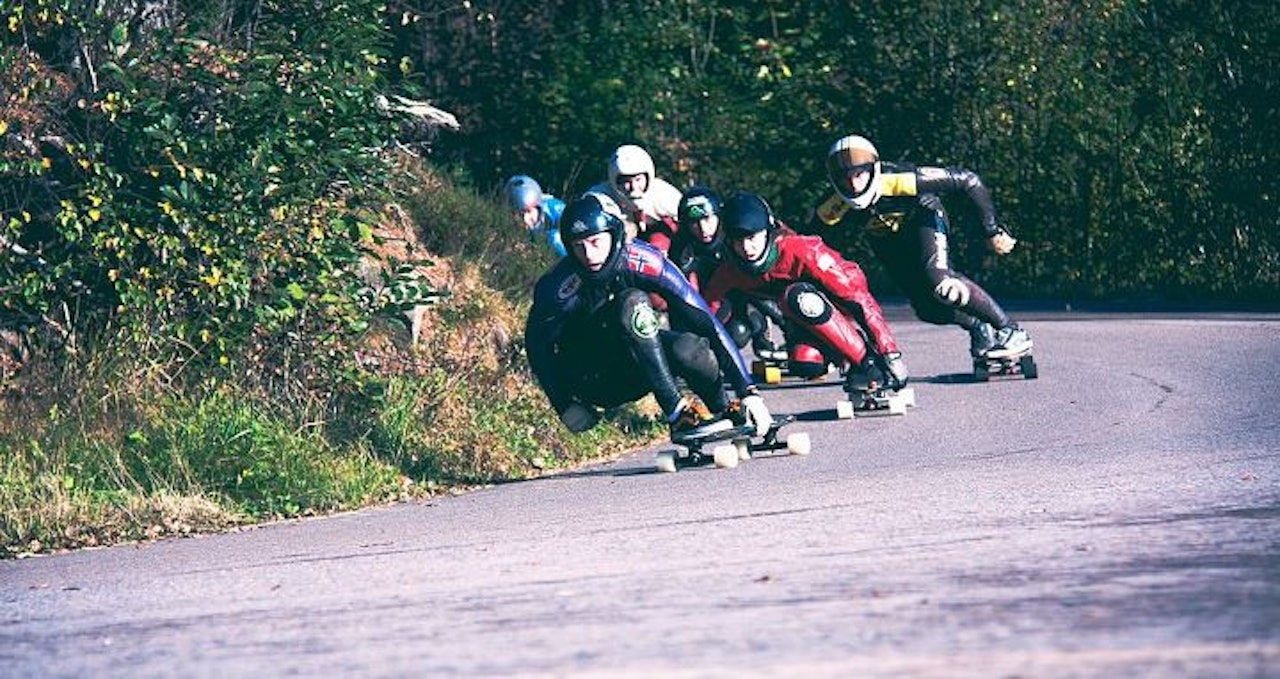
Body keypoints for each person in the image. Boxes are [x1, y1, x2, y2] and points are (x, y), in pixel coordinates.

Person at [525, 194, 774, 441]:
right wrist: (564, 403)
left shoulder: (646, 260)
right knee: (633, 301)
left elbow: (706, 321)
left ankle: (723, 407)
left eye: (595, 242)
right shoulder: (556, 288)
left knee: (690, 348)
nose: (589, 255)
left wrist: (748, 392)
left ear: (614, 236)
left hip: (637, 365)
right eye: (578, 246)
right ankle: (678, 415)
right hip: (594, 375)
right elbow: (537, 347)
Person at [819, 134, 1032, 359]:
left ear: (874, 169)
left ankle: (1011, 330)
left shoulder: (899, 179)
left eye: (859, 174)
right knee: (927, 309)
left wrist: (991, 230)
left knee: (939, 279)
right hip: (888, 242)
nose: (853, 184)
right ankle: (979, 325)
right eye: (845, 178)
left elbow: (969, 181)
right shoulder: (833, 204)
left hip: (924, 218)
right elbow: (809, 240)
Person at [700, 192, 909, 394]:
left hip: (839, 303)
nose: (746, 247)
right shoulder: (730, 271)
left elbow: (858, 297)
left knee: (797, 297)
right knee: (806, 363)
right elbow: (705, 313)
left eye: (752, 237)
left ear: (768, 231)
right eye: (738, 240)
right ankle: (851, 363)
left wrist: (889, 351)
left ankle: (868, 362)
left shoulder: (803, 250)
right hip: (800, 317)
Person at [670, 186, 787, 363]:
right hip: (713, 296)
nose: (702, 228)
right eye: (694, 223)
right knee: (734, 334)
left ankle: (776, 339)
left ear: (719, 215)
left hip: (749, 290)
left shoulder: (735, 231)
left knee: (757, 300)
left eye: (707, 219)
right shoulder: (681, 247)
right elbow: (678, 296)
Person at [585, 144, 683, 250]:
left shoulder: (666, 194)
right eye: (626, 181)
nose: (633, 187)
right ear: (614, 180)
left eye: (638, 179)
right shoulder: (599, 198)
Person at [504, 174, 566, 258]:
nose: (525, 219)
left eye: (529, 212)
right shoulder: (506, 223)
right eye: (519, 214)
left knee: (554, 238)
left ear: (537, 206)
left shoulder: (558, 211)